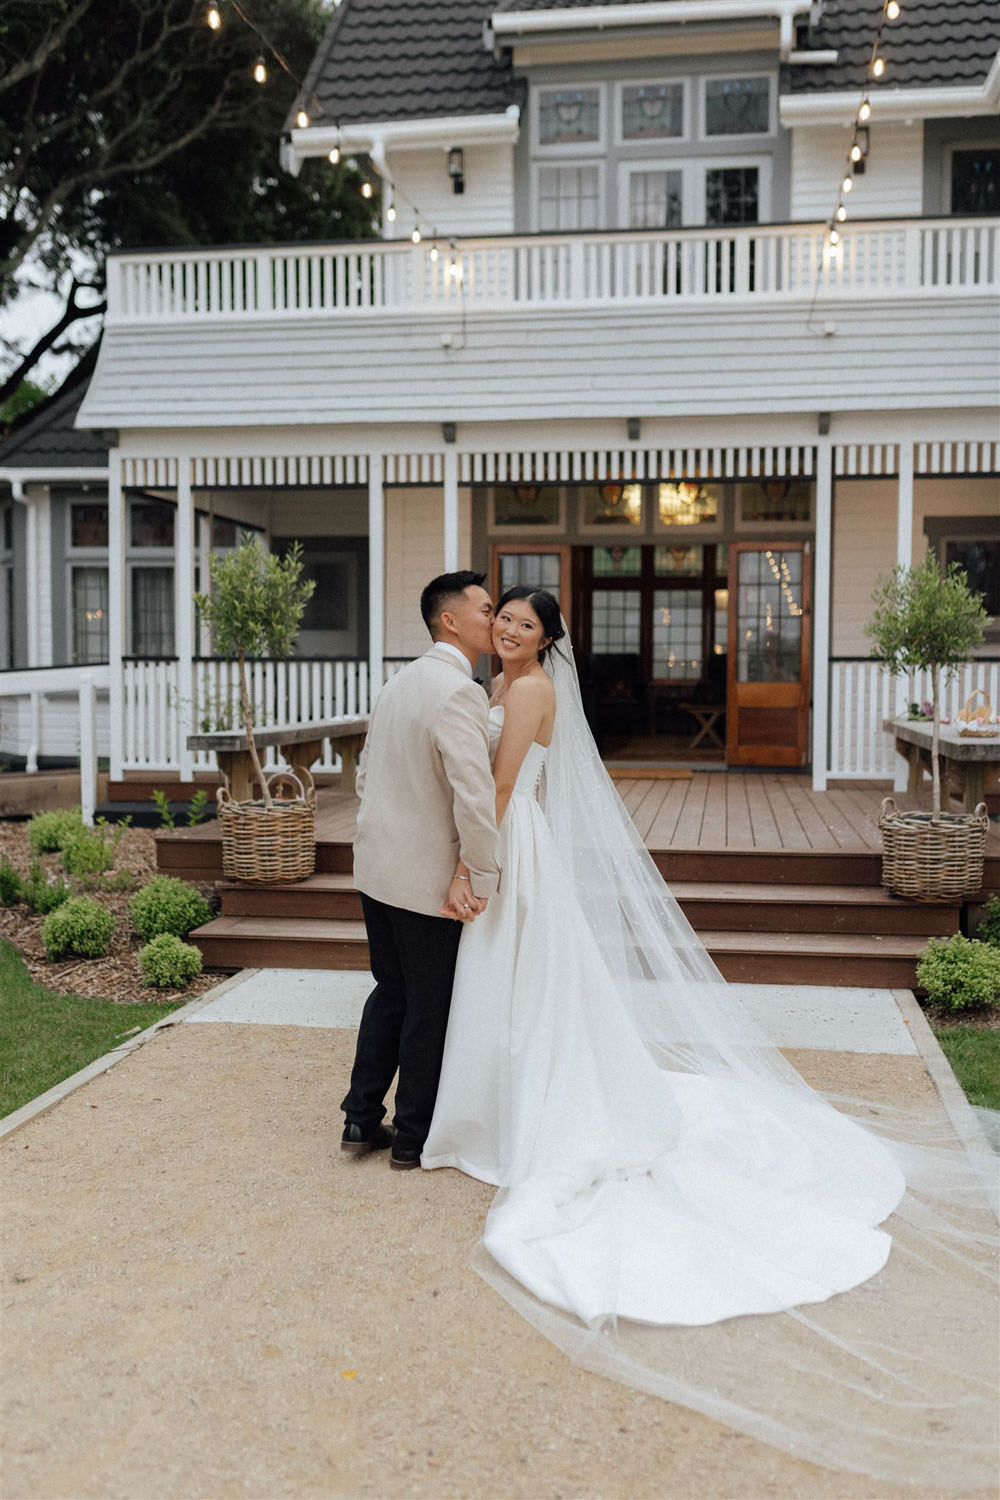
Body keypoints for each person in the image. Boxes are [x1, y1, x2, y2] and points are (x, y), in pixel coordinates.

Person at [418, 587, 999, 1489]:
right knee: (517, 983)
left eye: (526, 625)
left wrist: (470, 861)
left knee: (526, 980)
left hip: (511, 838)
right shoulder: (502, 681)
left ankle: (528, 1109)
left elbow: (497, 784)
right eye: (504, 621)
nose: (508, 631)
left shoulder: (528, 691)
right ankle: (502, 1099)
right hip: (515, 837)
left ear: (547, 641)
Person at [341, 570, 500, 1171]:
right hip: (426, 878)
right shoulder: (460, 692)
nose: (495, 618)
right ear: (450, 620)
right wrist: (481, 874)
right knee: (429, 1008)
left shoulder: (398, 682)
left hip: (377, 867)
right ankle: (411, 1137)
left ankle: (360, 1116)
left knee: (391, 992)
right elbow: (474, 794)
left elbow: (364, 775)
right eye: (485, 609)